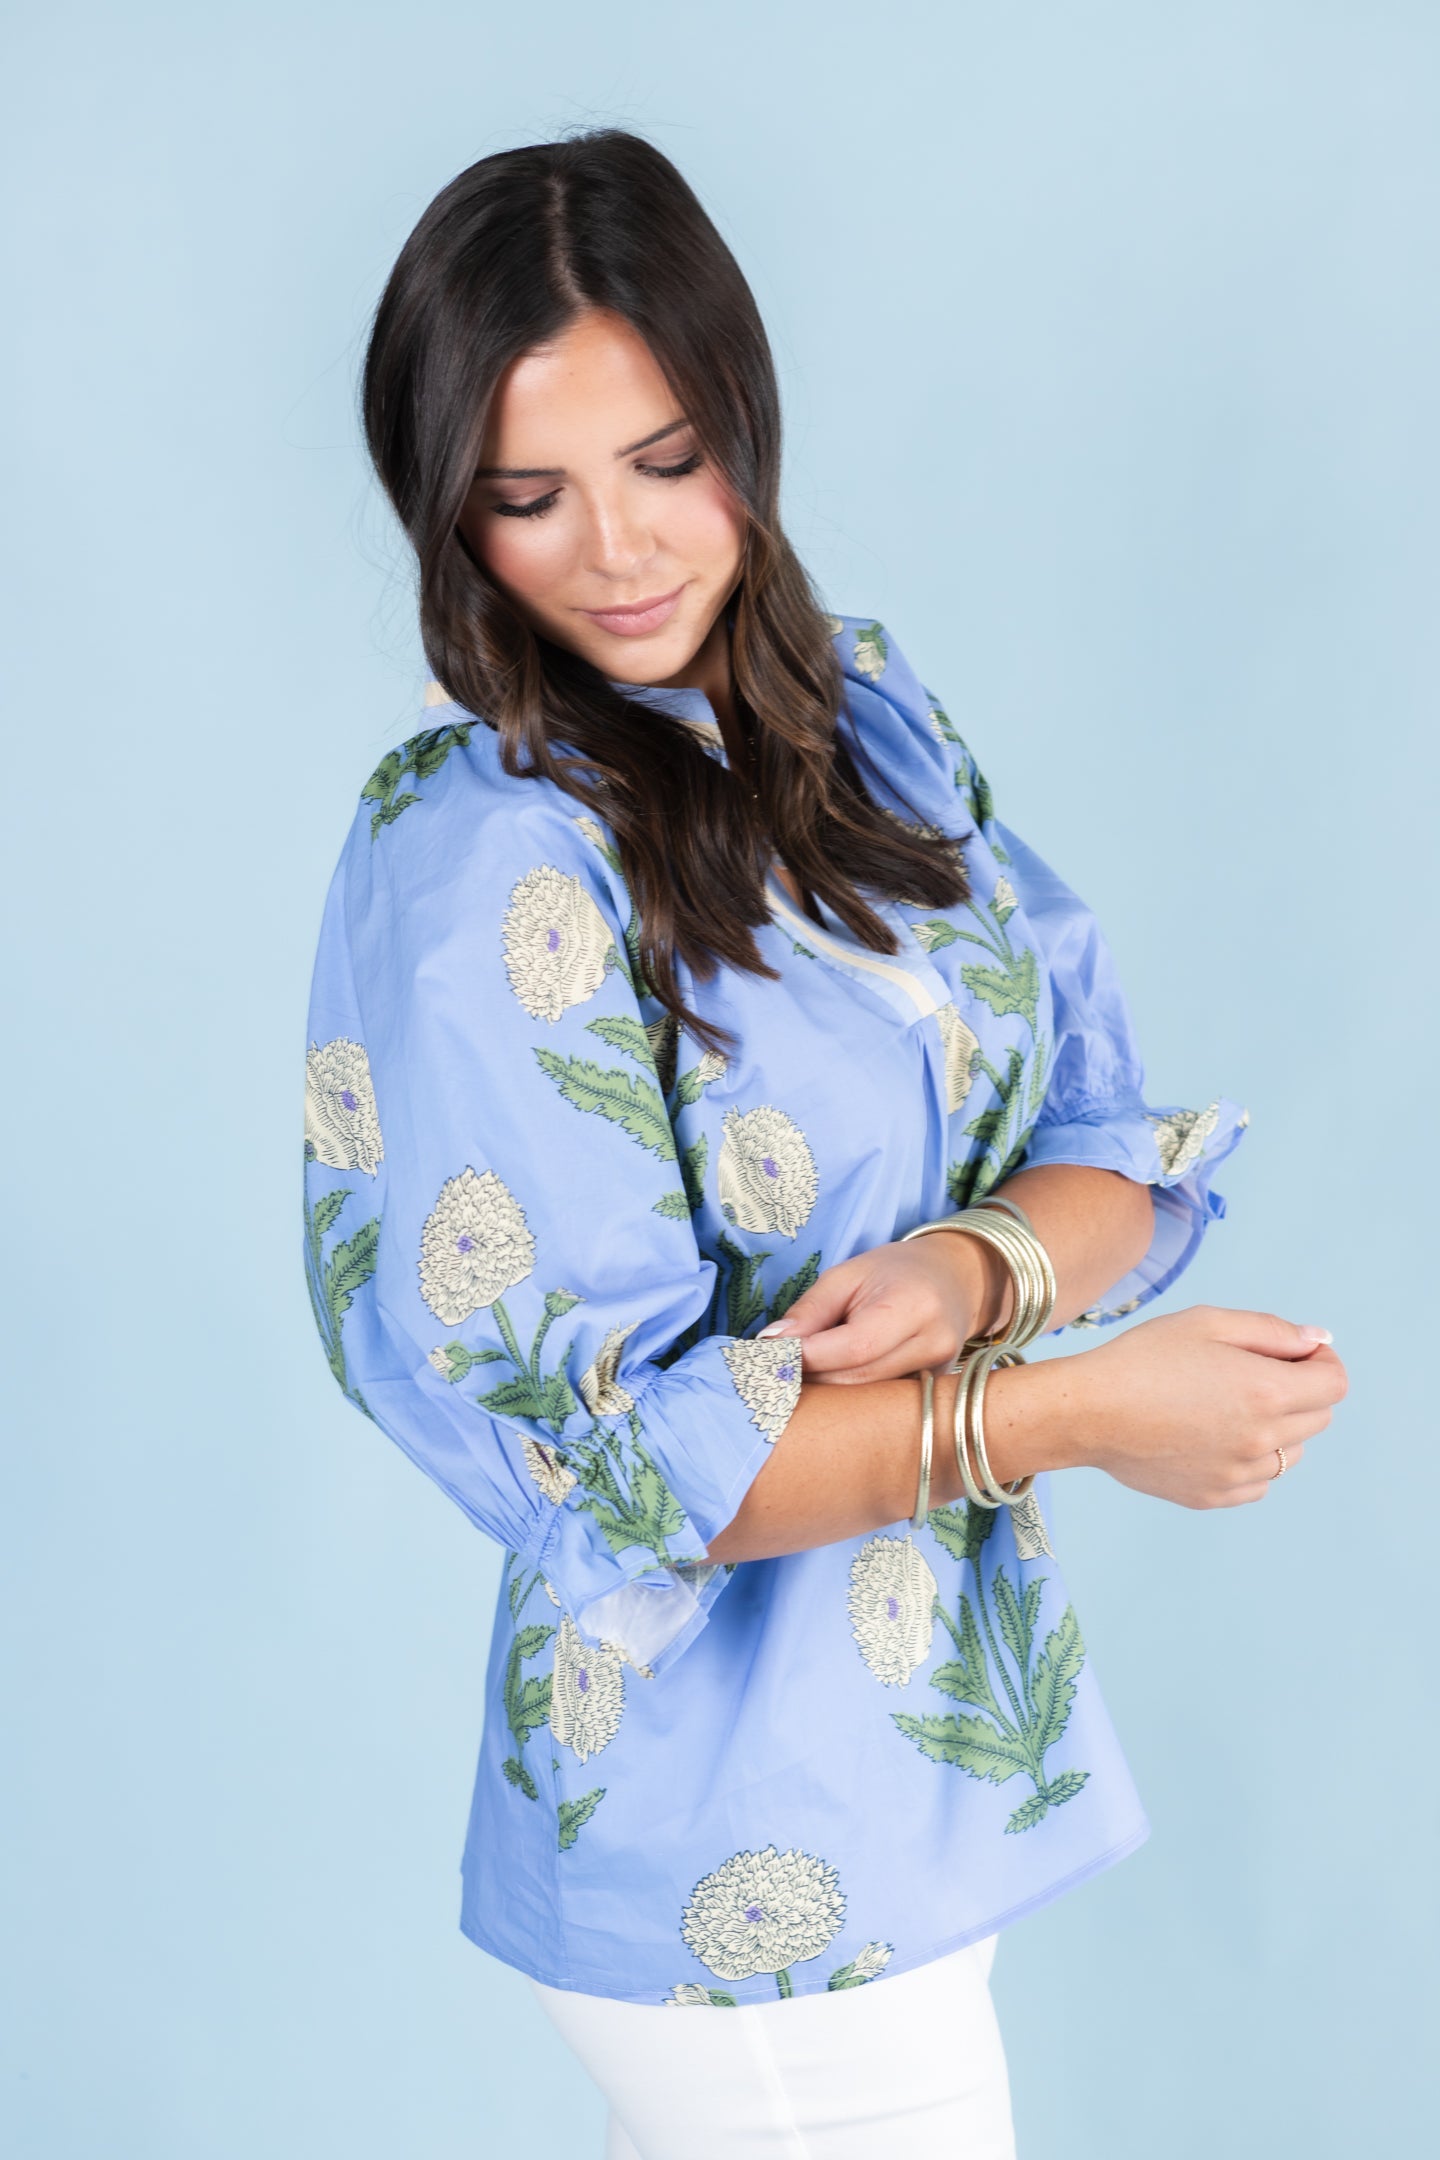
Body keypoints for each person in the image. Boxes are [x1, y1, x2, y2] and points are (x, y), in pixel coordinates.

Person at [301, 129, 1347, 2158]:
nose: (618, 549)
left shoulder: (855, 714)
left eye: (665, 459)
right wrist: (1082, 1410)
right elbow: (618, 1465)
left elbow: (1097, 1128)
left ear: (744, 420)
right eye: (529, 494)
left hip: (911, 1792)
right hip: (729, 1848)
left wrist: (977, 1269)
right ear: (447, 512)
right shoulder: (481, 859)